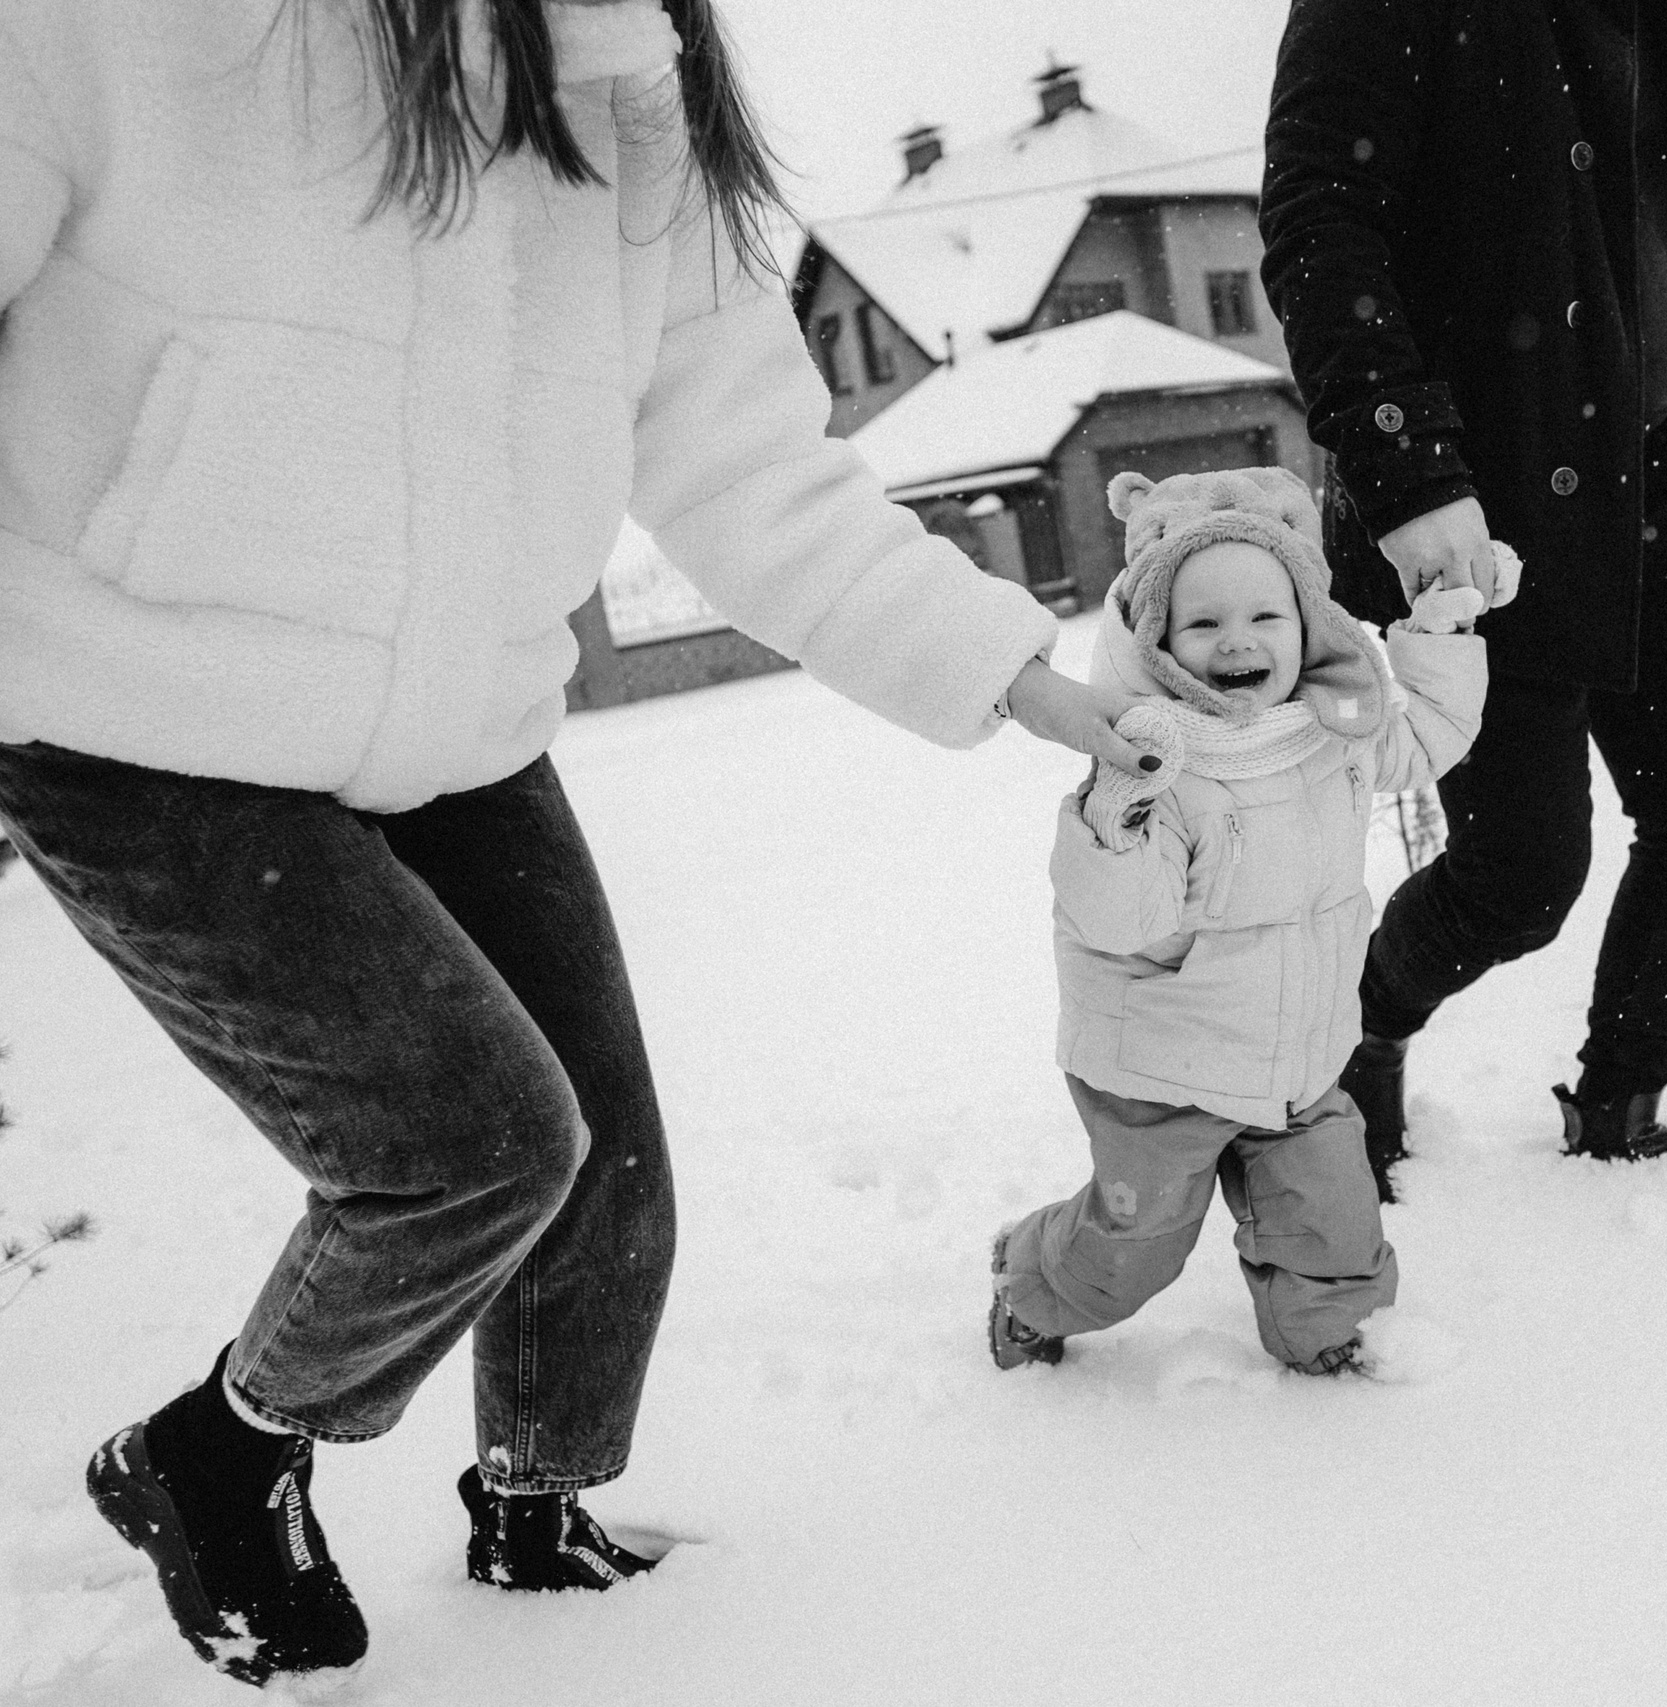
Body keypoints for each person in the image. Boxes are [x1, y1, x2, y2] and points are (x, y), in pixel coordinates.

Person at [0, 0, 1142, 1688]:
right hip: (136, 715)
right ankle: (215, 1457)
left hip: (459, 720)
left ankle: (536, 1504)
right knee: (469, 1146)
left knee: (605, 1164)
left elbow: (750, 463)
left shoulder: (623, 79)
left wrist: (1010, 670)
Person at [1260, 0, 1667, 1200]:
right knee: (1517, 877)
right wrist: (1404, 472)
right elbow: (1319, 224)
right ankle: (1356, 1030)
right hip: (1488, 515)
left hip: (1663, 482)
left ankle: (1622, 1102)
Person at [989, 467, 1487, 1375]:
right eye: (1204, 623)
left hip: (1297, 1060)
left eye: (1266, 617)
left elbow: (1427, 739)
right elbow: (1116, 919)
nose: (1238, 642)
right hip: (1164, 1072)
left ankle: (1328, 1330)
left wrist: (1438, 637)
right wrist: (1114, 818)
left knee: (1333, 1221)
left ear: (1309, 626)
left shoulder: (1332, 724)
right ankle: (1031, 1284)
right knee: (1128, 1255)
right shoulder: (1158, 759)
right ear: (1159, 639)